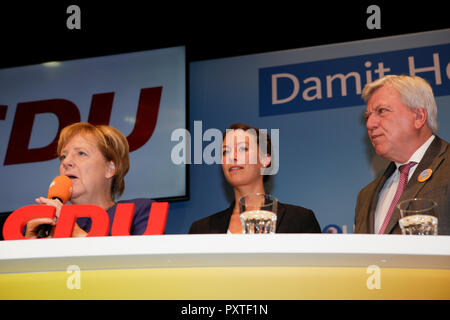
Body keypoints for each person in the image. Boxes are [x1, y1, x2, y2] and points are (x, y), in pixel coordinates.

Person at [355, 75, 450, 235]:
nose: (370, 124)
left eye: (382, 111)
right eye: (368, 116)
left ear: (419, 117)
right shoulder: (365, 196)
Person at [25, 122, 153, 238]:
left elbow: (147, 262)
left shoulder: (138, 211)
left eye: (81, 153)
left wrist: (74, 232)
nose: (66, 162)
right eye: (63, 156)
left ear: (110, 169)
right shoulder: (44, 224)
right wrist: (28, 248)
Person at [189, 123, 321, 234]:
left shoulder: (299, 220)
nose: (232, 156)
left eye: (242, 148)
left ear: (264, 160)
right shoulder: (201, 229)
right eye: (225, 151)